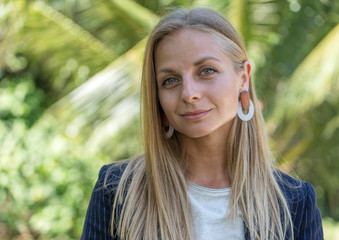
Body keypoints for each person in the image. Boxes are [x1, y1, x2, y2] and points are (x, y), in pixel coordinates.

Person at [81, 7, 323, 240]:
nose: (189, 93)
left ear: (243, 78)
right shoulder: (117, 191)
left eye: (206, 71)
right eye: (170, 80)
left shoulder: (295, 204)